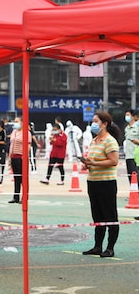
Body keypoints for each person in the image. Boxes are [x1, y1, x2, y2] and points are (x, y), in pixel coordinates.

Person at [78, 110, 120, 258]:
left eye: (96, 121)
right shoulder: (94, 140)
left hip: (106, 183)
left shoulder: (110, 141)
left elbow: (114, 161)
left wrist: (94, 162)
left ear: (105, 124)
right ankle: (97, 246)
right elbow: (94, 161)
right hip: (93, 182)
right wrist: (87, 165)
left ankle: (110, 248)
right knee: (97, 216)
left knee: (110, 215)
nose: (93, 124)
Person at [8, 117, 31, 204]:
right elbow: (11, 145)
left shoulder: (27, 133)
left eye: (17, 121)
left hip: (21, 157)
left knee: (23, 178)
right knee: (16, 177)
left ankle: (24, 197)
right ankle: (16, 197)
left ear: (22, 122)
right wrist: (10, 157)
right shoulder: (14, 132)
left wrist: (24, 156)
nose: (15, 123)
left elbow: (28, 146)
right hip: (13, 156)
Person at [123, 109, 139, 184]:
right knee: (130, 176)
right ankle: (133, 194)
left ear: (133, 117)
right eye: (126, 115)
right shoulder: (126, 128)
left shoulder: (137, 127)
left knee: (136, 176)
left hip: (135, 156)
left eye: (128, 115)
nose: (127, 117)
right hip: (128, 156)